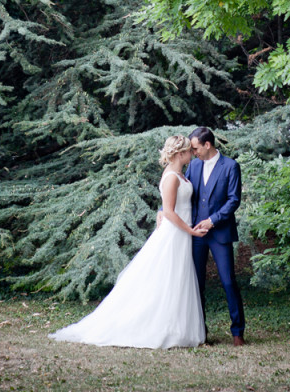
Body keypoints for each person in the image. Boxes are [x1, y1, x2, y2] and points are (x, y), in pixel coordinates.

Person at [48, 135, 206, 349]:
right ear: (181, 154)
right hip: (174, 234)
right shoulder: (171, 177)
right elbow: (168, 211)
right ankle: (159, 327)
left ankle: (176, 328)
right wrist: (190, 230)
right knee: (166, 278)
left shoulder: (181, 174)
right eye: (189, 151)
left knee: (177, 278)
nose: (193, 154)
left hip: (181, 234)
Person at [185, 126, 246, 346]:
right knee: (196, 283)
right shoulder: (193, 165)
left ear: (207, 145)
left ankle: (237, 332)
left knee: (228, 281)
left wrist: (212, 220)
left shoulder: (230, 166)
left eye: (195, 148)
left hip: (219, 232)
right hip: (196, 234)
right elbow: (183, 193)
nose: (193, 152)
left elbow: (233, 200)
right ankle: (201, 332)